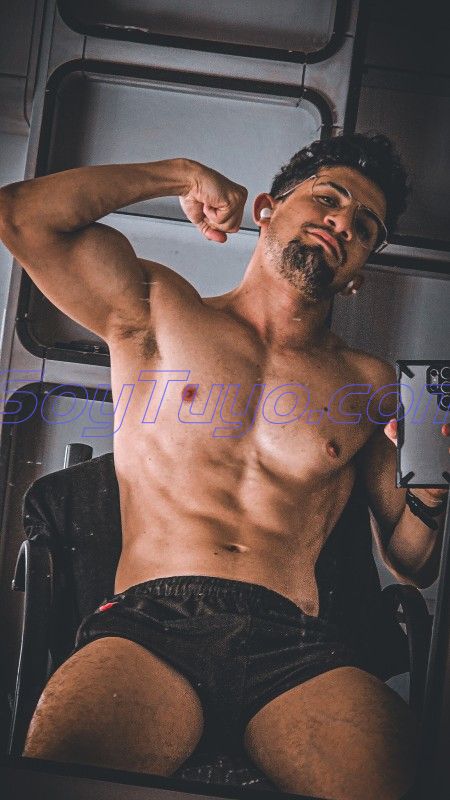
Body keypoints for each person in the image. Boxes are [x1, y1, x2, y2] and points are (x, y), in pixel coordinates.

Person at [0, 133, 448, 800]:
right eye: (328, 199)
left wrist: (432, 495)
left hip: (295, 647)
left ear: (357, 272)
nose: (343, 223)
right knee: (58, 777)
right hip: (151, 626)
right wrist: (179, 174)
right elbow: (19, 216)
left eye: (365, 228)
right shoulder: (157, 308)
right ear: (266, 209)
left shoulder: (381, 385)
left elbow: (415, 562)